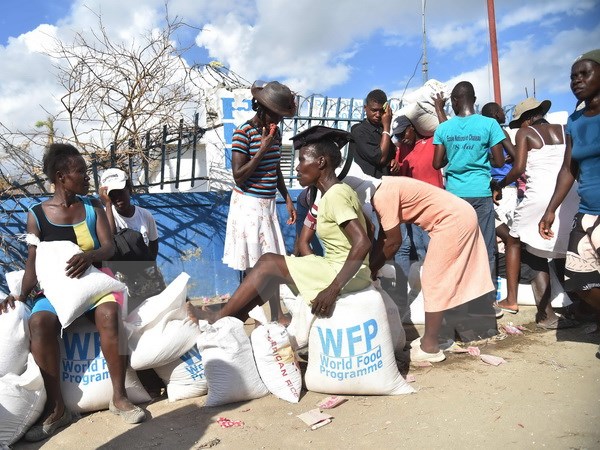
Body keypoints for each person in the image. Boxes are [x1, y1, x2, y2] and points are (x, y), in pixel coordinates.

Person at [0, 143, 145, 442]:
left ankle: (119, 398)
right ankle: (58, 408)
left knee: (109, 312)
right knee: (39, 323)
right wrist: (20, 296)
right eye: (80, 171)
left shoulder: (92, 207)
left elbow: (109, 247)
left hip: (93, 283)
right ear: (61, 176)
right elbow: (33, 262)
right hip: (53, 290)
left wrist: (89, 257)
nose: (88, 176)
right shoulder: (37, 214)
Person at [296, 145, 495, 362]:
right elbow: (381, 238)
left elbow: (393, 242)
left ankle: (430, 346)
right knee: (448, 277)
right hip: (457, 215)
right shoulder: (384, 188)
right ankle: (451, 331)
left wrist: (369, 270)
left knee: (434, 278)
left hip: (452, 221)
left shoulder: (383, 195)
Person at [188, 126, 371, 323]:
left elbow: (363, 242)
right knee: (273, 271)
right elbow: (372, 227)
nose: (297, 168)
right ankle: (235, 317)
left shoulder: (335, 195)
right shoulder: (338, 191)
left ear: (321, 162)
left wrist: (333, 289)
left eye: (302, 160)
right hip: (343, 268)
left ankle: (219, 316)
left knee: (268, 262)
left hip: (342, 273)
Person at [494, 97, 579, 329]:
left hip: (540, 195)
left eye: (519, 123)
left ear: (528, 118)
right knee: (564, 249)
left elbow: (519, 168)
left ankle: (515, 301)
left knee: (516, 241)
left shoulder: (526, 133)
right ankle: (573, 305)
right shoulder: (566, 129)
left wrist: (499, 185)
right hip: (569, 191)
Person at [539, 49, 600, 351]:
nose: (577, 80)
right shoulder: (574, 122)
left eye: (584, 73)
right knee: (580, 280)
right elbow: (568, 168)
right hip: (588, 212)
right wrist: (550, 209)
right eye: (573, 76)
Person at [222, 80, 297, 324]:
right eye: (276, 114)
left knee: (271, 259)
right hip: (249, 206)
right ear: (262, 108)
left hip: (268, 205)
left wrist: (286, 197)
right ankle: (242, 315)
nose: (279, 120)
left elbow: (274, 167)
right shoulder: (243, 132)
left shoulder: (276, 132)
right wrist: (261, 150)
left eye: (282, 116)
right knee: (252, 264)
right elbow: (239, 174)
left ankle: (277, 314)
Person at [433, 81, 505, 316]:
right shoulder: (489, 124)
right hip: (481, 194)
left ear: (453, 101)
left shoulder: (444, 129)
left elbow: (437, 163)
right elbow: (499, 161)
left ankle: (457, 299)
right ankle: (485, 303)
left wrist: (455, 157)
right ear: (474, 99)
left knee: (456, 248)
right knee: (485, 247)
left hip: (454, 196)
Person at [99, 168, 159, 260]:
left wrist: (150, 265)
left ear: (129, 190)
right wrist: (108, 205)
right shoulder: (105, 215)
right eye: (112, 195)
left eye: (120, 192)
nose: (117, 198)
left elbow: (153, 244)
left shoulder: (145, 215)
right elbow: (110, 243)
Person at [349, 89, 395, 178]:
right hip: (369, 186)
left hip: (386, 184)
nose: (378, 114)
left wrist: (393, 161)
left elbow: (391, 155)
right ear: (365, 108)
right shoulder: (360, 131)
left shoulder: (382, 131)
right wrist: (387, 126)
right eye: (374, 110)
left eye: (381, 111)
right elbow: (380, 158)